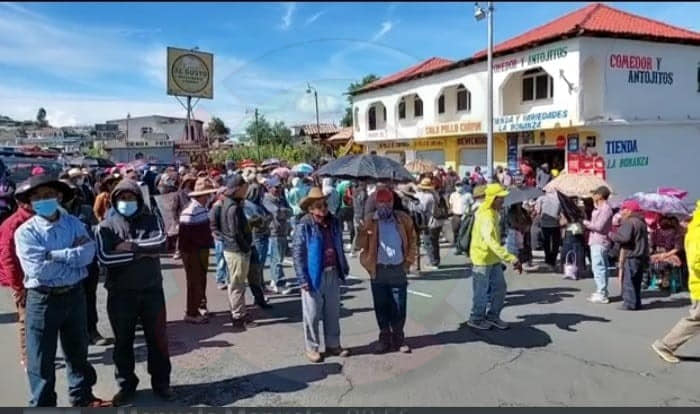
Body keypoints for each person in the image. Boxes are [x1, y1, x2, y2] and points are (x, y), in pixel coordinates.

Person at [14, 175, 108, 407]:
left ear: (58, 197)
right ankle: (44, 405)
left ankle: (82, 397)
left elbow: (87, 254)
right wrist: (71, 256)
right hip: (43, 299)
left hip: (74, 295)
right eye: (37, 197)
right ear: (30, 202)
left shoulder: (74, 223)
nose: (43, 200)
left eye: (48, 195)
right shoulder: (25, 232)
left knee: (78, 352)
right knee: (41, 360)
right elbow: (38, 269)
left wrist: (54, 255)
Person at [96, 179, 173, 405]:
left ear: (138, 199)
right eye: (122, 198)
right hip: (121, 294)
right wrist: (142, 251)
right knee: (123, 342)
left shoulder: (152, 219)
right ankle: (126, 385)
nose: (126, 202)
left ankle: (161, 383)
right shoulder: (106, 226)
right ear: (114, 200)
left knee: (158, 340)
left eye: (130, 198)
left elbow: (160, 243)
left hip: (151, 291)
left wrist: (128, 247)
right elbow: (105, 257)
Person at [293, 187, 350, 363]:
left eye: (324, 205)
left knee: (332, 311)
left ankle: (333, 344)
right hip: (313, 274)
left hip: (332, 271)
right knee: (312, 314)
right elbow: (298, 253)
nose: (323, 209)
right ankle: (312, 348)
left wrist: (343, 265)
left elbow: (339, 244)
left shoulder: (334, 222)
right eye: (318, 206)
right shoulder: (304, 225)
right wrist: (302, 278)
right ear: (310, 208)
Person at [357, 188, 417, 354]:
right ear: (376, 203)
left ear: (392, 203)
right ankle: (384, 338)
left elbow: (413, 241)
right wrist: (364, 228)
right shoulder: (370, 220)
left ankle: (398, 339)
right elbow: (359, 245)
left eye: (387, 202)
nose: (384, 206)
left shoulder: (403, 219)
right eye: (381, 202)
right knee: (381, 305)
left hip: (398, 269)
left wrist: (408, 263)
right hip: (378, 270)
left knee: (399, 305)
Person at [59, 179, 110, 346]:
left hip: (88, 262)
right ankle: (74, 336)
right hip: (64, 265)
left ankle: (92, 330)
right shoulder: (54, 213)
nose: (67, 196)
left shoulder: (86, 210)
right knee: (67, 301)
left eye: (71, 192)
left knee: (89, 297)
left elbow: (95, 233)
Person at [466, 184, 522, 330]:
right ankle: (476, 318)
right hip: (482, 259)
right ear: (492, 198)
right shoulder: (486, 216)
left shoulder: (493, 212)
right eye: (500, 198)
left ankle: (492, 317)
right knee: (481, 292)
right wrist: (510, 258)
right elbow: (490, 241)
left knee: (500, 288)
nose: (503, 200)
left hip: (493, 258)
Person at [651, 201, 700, 364]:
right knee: (696, 319)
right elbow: (696, 261)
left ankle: (666, 345)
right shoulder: (696, 231)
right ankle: (665, 345)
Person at [0, 190, 34, 370]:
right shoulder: (13, 224)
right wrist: (17, 286)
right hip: (22, 279)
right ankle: (27, 356)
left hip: (39, 278)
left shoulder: (45, 218)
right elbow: (7, 258)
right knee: (26, 318)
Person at [219, 175, 257, 329]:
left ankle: (240, 311)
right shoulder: (233, 207)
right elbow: (235, 232)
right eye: (244, 187)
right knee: (237, 285)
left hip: (233, 248)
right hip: (236, 250)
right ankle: (238, 316)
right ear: (238, 188)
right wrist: (245, 247)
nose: (246, 190)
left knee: (237, 283)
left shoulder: (230, 204)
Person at [179, 178, 218, 324]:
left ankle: (200, 306)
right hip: (192, 251)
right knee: (194, 282)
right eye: (207, 195)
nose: (209, 197)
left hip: (201, 249)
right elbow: (184, 236)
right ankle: (191, 312)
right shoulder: (190, 211)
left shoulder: (201, 209)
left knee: (201, 279)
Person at [609, 200, 649, 311]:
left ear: (629, 210)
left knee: (628, 281)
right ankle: (636, 302)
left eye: (624, 209)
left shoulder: (629, 222)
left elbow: (624, 238)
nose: (622, 211)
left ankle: (629, 303)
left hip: (631, 254)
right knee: (636, 281)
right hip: (640, 254)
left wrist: (612, 235)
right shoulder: (641, 222)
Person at [263, 175, 293, 294]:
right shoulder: (267, 199)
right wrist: (283, 211)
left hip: (283, 231)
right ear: (269, 187)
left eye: (279, 187)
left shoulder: (281, 198)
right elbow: (276, 212)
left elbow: (290, 211)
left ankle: (276, 279)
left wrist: (283, 211)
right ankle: (278, 283)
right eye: (276, 187)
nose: (278, 189)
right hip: (274, 231)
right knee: (276, 259)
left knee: (279, 257)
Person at [583, 186, 614, 304]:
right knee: (598, 267)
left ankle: (602, 292)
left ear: (600, 195)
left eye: (595, 193)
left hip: (600, 241)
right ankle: (601, 290)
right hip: (596, 240)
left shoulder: (605, 209)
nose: (593, 195)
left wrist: (585, 223)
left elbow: (599, 227)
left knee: (599, 267)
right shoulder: (599, 208)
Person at [416, 177, 444, 270]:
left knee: (428, 242)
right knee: (435, 242)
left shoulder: (427, 196)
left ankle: (433, 262)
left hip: (430, 222)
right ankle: (436, 260)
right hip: (438, 221)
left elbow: (422, 208)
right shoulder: (434, 194)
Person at [535, 191, 563, 270]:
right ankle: (553, 260)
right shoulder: (558, 199)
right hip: (556, 223)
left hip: (544, 223)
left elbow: (538, 211)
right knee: (555, 243)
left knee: (546, 243)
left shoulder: (541, 198)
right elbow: (561, 211)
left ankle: (548, 260)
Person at [210, 187, 230, 290]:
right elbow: (213, 223)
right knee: (221, 259)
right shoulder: (216, 207)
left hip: (226, 236)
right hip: (220, 237)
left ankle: (227, 278)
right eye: (224, 194)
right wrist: (217, 234)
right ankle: (220, 279)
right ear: (219, 195)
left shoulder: (225, 205)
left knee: (227, 259)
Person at [449, 181, 473, 254]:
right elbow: (451, 204)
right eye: (457, 185)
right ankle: (458, 248)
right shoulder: (453, 195)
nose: (459, 187)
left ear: (463, 186)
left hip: (465, 216)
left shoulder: (468, 195)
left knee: (465, 232)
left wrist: (469, 214)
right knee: (456, 232)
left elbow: (471, 205)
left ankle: (465, 248)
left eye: (460, 185)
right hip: (456, 216)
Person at [336, 179, 355, 251]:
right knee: (351, 225)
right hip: (351, 208)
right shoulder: (352, 184)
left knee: (340, 227)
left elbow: (338, 197)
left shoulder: (340, 185)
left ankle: (340, 243)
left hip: (342, 208)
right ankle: (352, 243)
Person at [351, 181, 368, 257]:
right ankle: (357, 249)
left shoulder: (355, 192)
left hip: (356, 215)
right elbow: (362, 206)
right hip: (361, 216)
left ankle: (354, 250)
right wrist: (361, 217)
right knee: (361, 233)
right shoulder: (362, 193)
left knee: (357, 233)